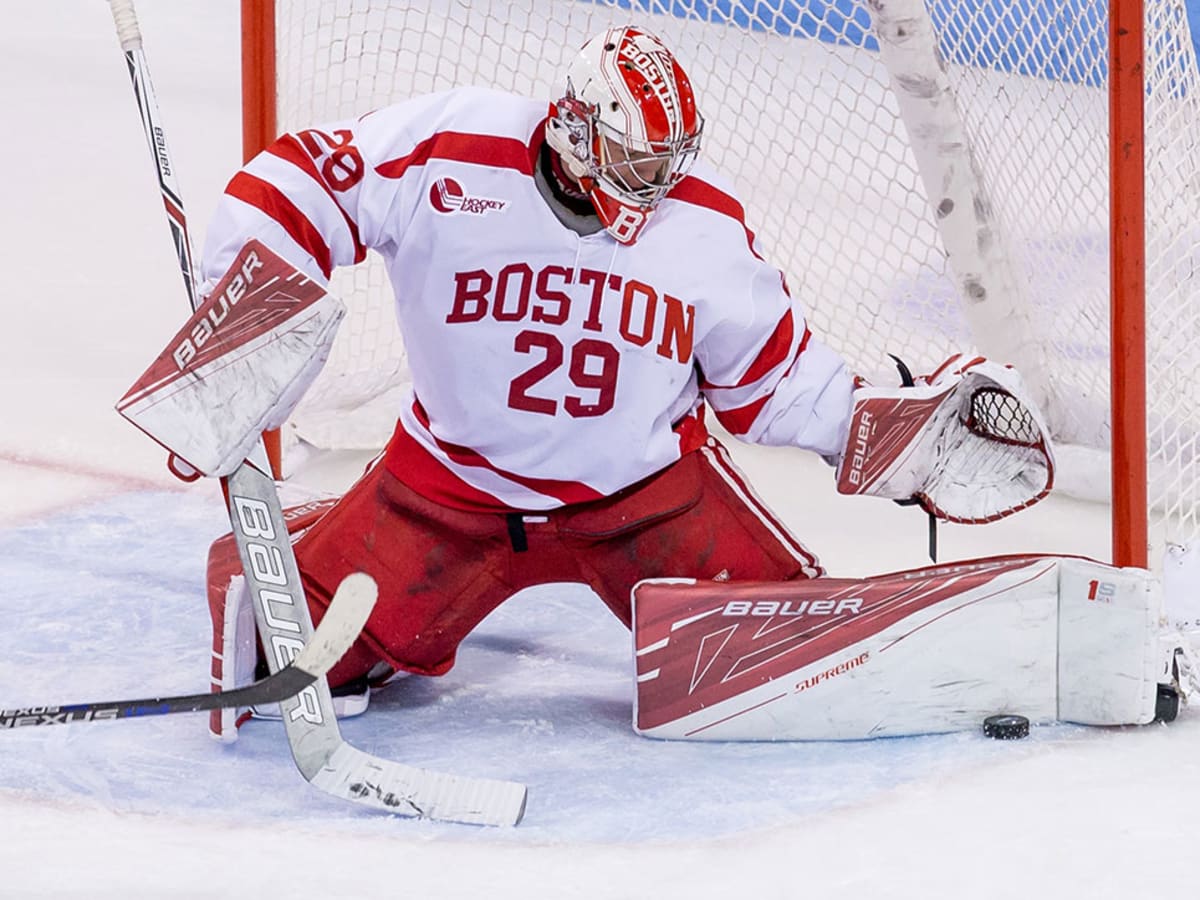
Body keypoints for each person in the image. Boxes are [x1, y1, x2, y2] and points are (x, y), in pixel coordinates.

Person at [198, 25, 1020, 738]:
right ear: (577, 131)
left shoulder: (703, 227)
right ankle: (324, 534)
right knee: (286, 655)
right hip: (447, 494)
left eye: (667, 160)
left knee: (784, 667)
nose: (656, 182)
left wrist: (879, 437)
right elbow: (297, 179)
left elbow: (771, 383)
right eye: (636, 159)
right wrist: (239, 316)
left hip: (645, 503)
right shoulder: (453, 147)